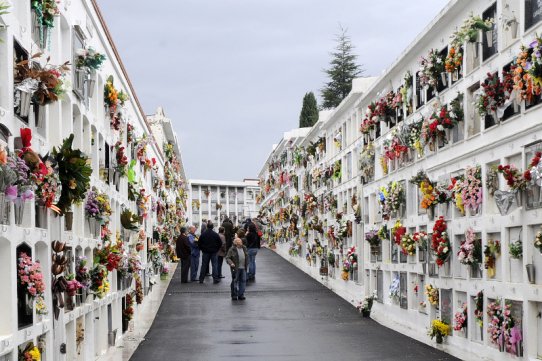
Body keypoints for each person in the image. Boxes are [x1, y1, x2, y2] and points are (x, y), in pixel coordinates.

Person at [225, 236, 248, 300]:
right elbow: (227, 258)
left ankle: (241, 294)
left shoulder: (244, 248)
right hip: (235, 268)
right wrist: (231, 263)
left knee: (243, 281)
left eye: (240, 241)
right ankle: (234, 295)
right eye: (239, 241)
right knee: (235, 281)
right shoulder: (232, 249)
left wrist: (247, 263)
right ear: (236, 243)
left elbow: (246, 256)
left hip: (243, 268)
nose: (241, 242)